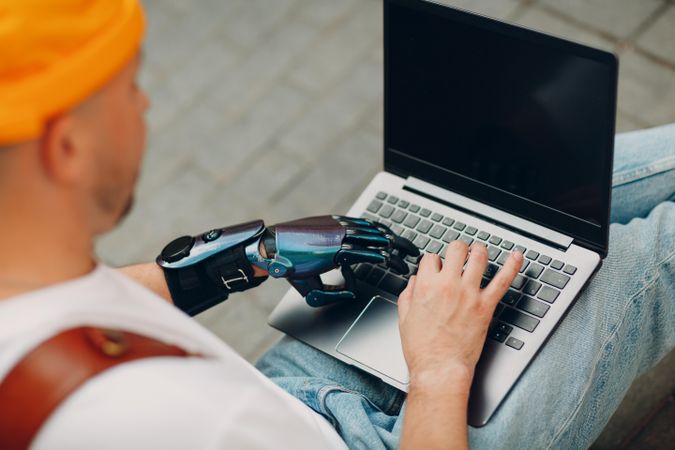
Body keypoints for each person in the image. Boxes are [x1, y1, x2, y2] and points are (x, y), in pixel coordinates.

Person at [0, 1, 672, 449]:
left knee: (530, 203)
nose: (143, 104)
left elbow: (84, 320)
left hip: (287, 395)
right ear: (67, 147)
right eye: (128, 91)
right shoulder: (155, 418)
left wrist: (244, 256)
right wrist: (439, 366)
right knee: (648, 257)